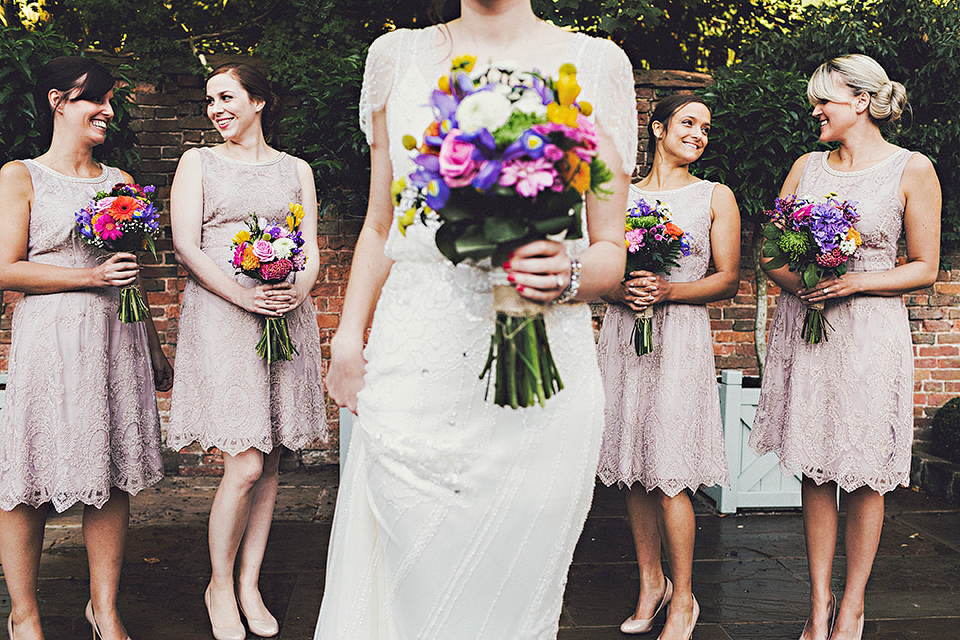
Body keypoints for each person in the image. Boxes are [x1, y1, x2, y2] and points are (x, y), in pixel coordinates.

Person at [315, 0, 636, 637]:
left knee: (515, 588)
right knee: (413, 572)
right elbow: (382, 222)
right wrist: (348, 340)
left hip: (542, 364)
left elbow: (609, 249)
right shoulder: (396, 58)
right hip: (419, 363)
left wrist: (567, 275)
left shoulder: (597, 64)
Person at [749, 54, 941, 640]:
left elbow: (926, 267)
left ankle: (852, 604)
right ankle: (816, 604)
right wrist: (805, 286)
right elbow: (771, 256)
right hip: (812, 332)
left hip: (870, 336)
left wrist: (857, 281)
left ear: (860, 101)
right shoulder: (806, 167)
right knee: (815, 467)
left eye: (824, 101)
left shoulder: (913, 169)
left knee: (862, 473)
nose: (814, 111)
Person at [0, 56, 173, 640]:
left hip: (113, 340)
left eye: (109, 102)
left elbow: (130, 272)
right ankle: (25, 614)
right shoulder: (20, 176)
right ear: (57, 102)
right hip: (50, 340)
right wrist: (88, 279)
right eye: (93, 100)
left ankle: (105, 609)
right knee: (28, 476)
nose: (106, 111)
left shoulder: (119, 181)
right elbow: (6, 270)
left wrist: (150, 344)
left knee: (113, 471)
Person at [167, 62, 326, 640]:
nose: (216, 108)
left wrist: (296, 290)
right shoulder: (198, 163)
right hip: (224, 318)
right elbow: (187, 244)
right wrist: (243, 295)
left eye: (226, 96)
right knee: (246, 462)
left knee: (273, 460)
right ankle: (218, 584)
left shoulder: (296, 169)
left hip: (285, 316)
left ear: (260, 101)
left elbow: (308, 244)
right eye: (210, 100)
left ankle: (250, 584)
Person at [596, 94, 740, 640]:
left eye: (706, 127)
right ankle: (650, 583)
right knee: (635, 467)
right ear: (657, 128)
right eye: (688, 123)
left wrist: (669, 289)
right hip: (626, 337)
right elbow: (600, 270)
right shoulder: (617, 195)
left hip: (678, 340)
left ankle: (685, 597)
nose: (699, 134)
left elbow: (726, 278)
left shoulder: (714, 197)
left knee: (671, 472)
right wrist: (620, 292)